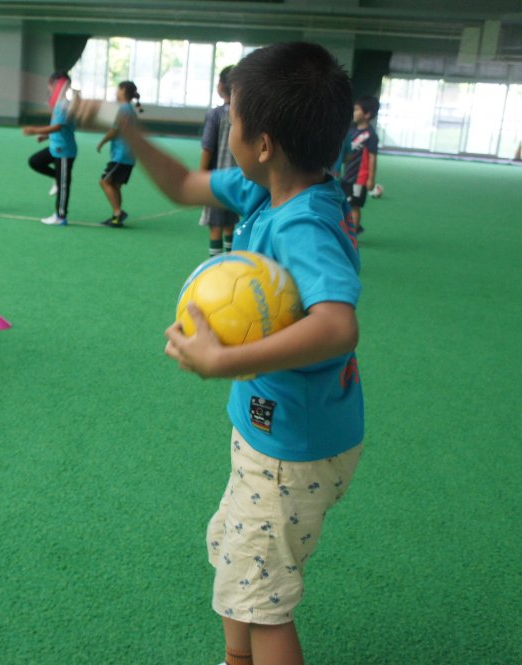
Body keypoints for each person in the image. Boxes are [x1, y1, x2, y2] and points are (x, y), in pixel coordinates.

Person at [105, 42, 362, 665]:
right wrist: (129, 131)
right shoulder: (263, 191)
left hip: (293, 448)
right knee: (236, 558)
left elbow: (337, 326)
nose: (228, 131)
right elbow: (182, 183)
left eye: (234, 120)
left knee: (262, 598)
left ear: (263, 144)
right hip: (271, 434)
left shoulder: (303, 223)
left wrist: (225, 362)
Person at [23, 72, 77, 226]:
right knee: (35, 161)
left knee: (63, 184)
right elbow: (61, 127)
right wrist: (46, 136)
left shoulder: (63, 105)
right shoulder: (59, 104)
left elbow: (58, 126)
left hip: (64, 151)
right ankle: (57, 177)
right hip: (55, 147)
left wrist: (35, 130)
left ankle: (60, 216)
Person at [199, 65, 240, 256]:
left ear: (221, 87)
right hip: (238, 177)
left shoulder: (215, 114)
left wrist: (201, 174)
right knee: (230, 223)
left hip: (217, 179)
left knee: (215, 225)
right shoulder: (243, 114)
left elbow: (208, 147)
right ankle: (232, 260)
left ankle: (215, 265)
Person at [94, 81, 142, 228]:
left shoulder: (123, 109)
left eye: (118, 89)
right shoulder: (130, 109)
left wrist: (102, 141)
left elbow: (115, 130)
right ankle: (116, 217)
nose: (116, 92)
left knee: (104, 181)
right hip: (128, 154)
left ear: (123, 91)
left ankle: (118, 212)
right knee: (115, 185)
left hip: (122, 154)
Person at [339, 95, 380, 234]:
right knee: (345, 203)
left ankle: (353, 234)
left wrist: (371, 179)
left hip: (359, 179)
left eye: (357, 110)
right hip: (347, 176)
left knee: (354, 206)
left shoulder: (371, 135)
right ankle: (352, 228)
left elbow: (372, 157)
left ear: (367, 114)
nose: (354, 112)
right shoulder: (351, 130)